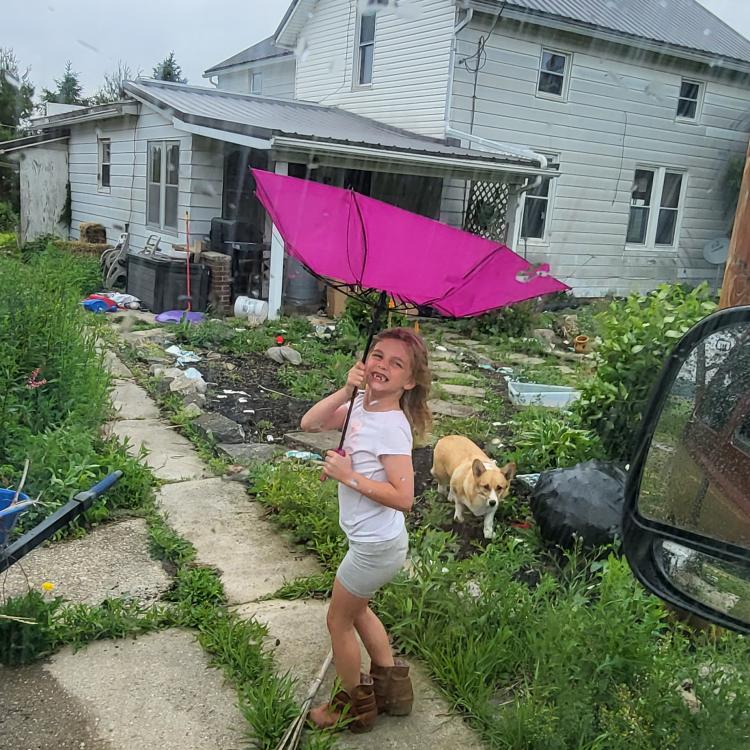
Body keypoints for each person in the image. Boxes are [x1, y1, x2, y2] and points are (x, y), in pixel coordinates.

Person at [299, 326, 432, 733]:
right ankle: (393, 692)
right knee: (358, 612)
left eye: (397, 364)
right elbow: (309, 423)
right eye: (378, 356)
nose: (383, 367)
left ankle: (353, 705)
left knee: (337, 621)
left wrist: (348, 476)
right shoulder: (360, 406)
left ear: (409, 381)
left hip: (375, 547)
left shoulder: (392, 426)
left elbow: (404, 498)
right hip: (376, 543)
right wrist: (345, 391)